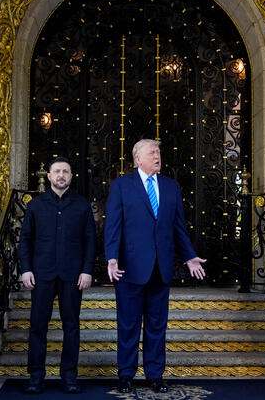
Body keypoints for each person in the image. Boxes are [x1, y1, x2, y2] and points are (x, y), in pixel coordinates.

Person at [104, 139, 206, 394]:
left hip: (161, 268)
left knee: (157, 326)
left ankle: (155, 375)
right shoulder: (121, 186)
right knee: (128, 325)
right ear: (138, 158)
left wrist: (189, 256)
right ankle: (126, 375)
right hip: (129, 268)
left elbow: (178, 227)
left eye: (159, 152)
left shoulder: (171, 187)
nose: (157, 156)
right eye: (152, 152)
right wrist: (111, 257)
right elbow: (113, 225)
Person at [18, 156, 96, 394]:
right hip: (41, 274)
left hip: (72, 275)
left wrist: (87, 270)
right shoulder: (36, 205)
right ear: (49, 176)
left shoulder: (82, 205)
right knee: (37, 326)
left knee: (71, 326)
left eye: (65, 171)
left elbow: (90, 241)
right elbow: (25, 240)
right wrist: (25, 269)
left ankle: (69, 377)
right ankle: (36, 377)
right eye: (57, 171)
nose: (61, 175)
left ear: (71, 176)